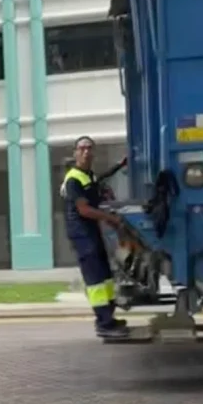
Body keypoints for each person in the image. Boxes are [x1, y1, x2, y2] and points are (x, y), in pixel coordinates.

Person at [60, 136, 129, 338]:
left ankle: (109, 317)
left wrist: (120, 165)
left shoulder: (88, 175)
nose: (86, 152)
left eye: (89, 148)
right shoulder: (73, 179)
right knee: (96, 279)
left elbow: (101, 179)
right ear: (75, 153)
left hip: (91, 232)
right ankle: (104, 324)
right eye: (81, 149)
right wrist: (111, 219)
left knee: (105, 275)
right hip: (81, 235)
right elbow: (84, 210)